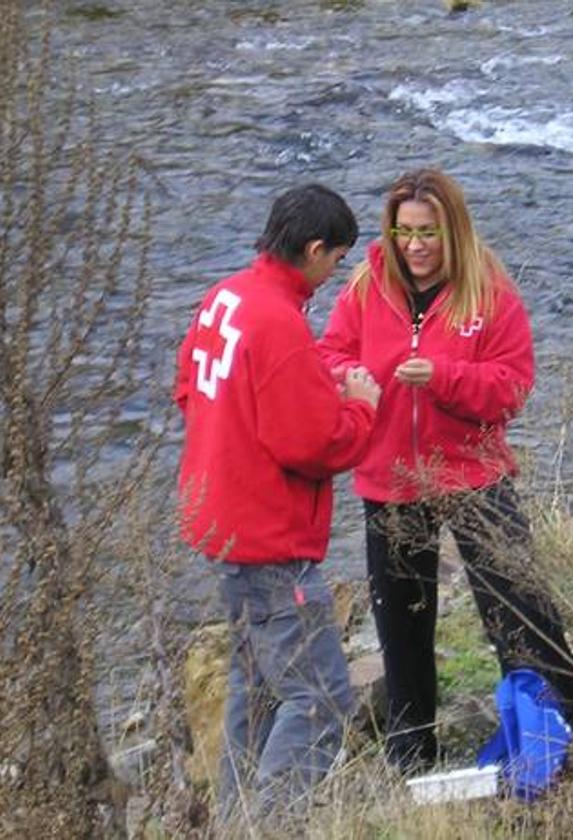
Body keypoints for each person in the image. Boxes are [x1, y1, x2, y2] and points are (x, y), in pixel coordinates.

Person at [317, 168, 573, 773]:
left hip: (473, 474)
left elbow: (512, 389)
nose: (414, 246)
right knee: (402, 625)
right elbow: (329, 354)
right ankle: (412, 753)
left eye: (428, 232)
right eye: (404, 232)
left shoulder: (489, 293)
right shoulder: (364, 286)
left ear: (453, 230)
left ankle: (558, 717)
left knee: (516, 606)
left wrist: (444, 379)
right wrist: (351, 382)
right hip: (389, 480)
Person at [174, 183, 382, 823]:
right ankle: (274, 826)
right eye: (337, 259)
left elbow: (188, 387)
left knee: (257, 690)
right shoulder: (279, 320)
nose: (335, 272)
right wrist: (360, 407)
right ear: (314, 250)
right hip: (270, 541)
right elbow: (313, 446)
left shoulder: (226, 297)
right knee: (319, 700)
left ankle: (237, 824)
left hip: (221, 525)